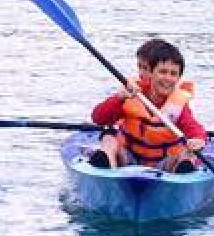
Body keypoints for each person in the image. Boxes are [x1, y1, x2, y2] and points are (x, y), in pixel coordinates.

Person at [88, 39, 206, 173]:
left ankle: (184, 169)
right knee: (109, 138)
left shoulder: (178, 105)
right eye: (162, 72)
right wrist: (118, 98)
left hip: (164, 164)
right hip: (128, 159)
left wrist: (198, 139)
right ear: (150, 73)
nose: (168, 78)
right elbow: (98, 118)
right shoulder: (131, 95)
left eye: (173, 74)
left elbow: (193, 127)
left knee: (188, 151)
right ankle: (105, 165)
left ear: (179, 78)